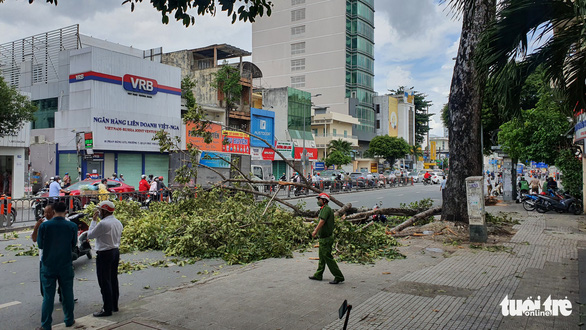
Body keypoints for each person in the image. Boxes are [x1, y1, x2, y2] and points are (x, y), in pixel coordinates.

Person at [36, 202, 78, 329]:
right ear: (66, 211)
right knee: (68, 293)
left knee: (48, 296)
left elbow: (40, 245)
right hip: (65, 264)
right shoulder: (72, 226)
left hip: (48, 264)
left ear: (53, 211)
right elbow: (73, 244)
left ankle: (46, 324)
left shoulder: (45, 226)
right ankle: (69, 320)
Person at [87, 201, 123, 317]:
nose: (99, 212)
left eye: (100, 210)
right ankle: (114, 305)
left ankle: (107, 308)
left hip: (104, 253)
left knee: (104, 281)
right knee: (113, 279)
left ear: (104, 211)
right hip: (115, 251)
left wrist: (93, 220)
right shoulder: (118, 222)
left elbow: (90, 235)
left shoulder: (103, 224)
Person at [309, 193, 345, 285]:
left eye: (319, 199)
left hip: (326, 238)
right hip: (323, 238)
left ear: (324, 200)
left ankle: (339, 276)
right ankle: (318, 274)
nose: (318, 201)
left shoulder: (326, 209)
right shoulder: (324, 209)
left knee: (328, 258)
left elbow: (322, 221)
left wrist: (315, 231)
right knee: (322, 258)